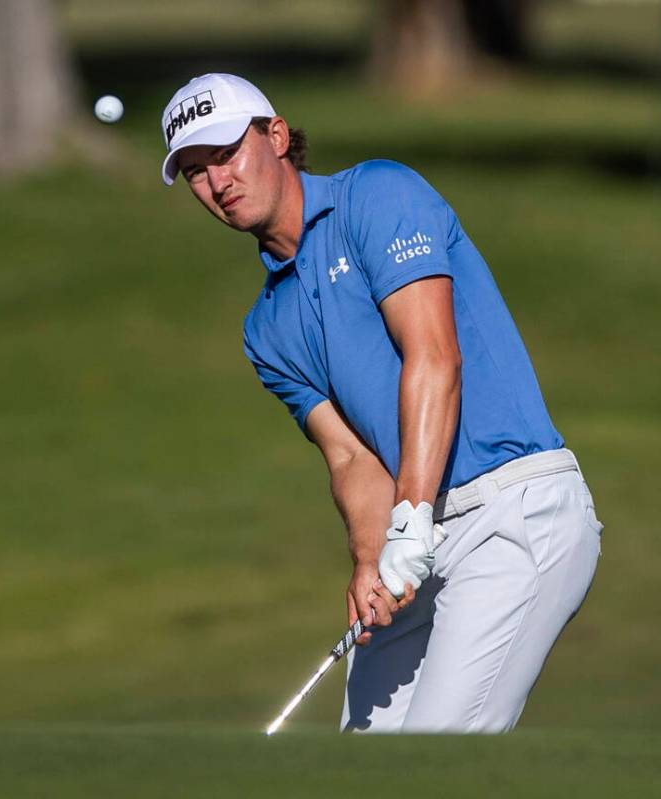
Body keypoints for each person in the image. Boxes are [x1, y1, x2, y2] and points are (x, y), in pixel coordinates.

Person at [160, 73, 603, 733]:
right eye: (196, 172)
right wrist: (372, 558)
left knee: (431, 761)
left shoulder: (377, 195)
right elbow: (349, 454)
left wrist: (412, 521)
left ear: (276, 135)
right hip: (415, 534)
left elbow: (435, 357)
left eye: (225, 153)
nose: (217, 181)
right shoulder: (267, 328)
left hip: (514, 509)